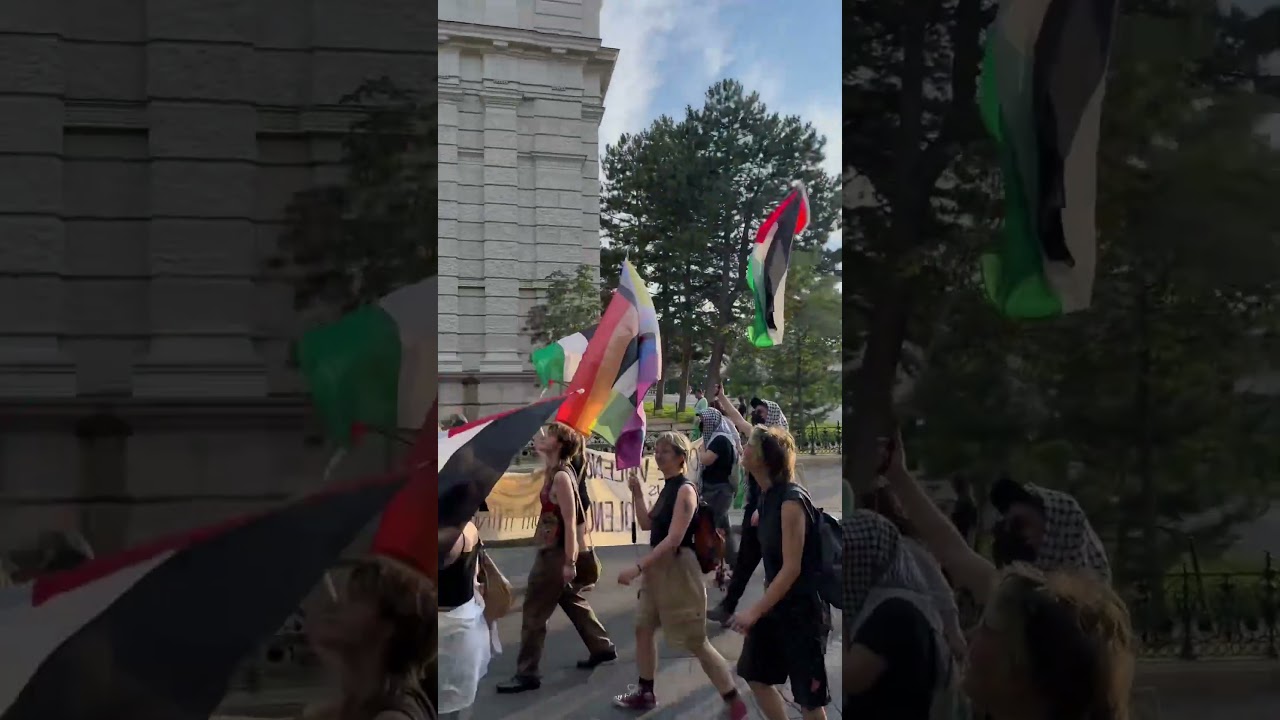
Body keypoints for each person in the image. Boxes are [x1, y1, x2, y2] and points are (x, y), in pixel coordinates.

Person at [882, 432, 1135, 720]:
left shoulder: (1079, 625)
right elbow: (951, 549)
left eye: (1020, 524)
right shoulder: (1014, 596)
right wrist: (898, 476)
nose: (1006, 532)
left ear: (1060, 534)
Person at [613, 431, 748, 718]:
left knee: (695, 640)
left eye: (665, 451)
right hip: (658, 571)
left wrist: (637, 568)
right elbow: (648, 524)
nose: (657, 454)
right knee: (643, 627)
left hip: (678, 570)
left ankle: (733, 697)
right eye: (657, 449)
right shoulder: (668, 488)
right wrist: (637, 493)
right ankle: (645, 692)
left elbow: (674, 539)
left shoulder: (685, 490)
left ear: (680, 458)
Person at [497, 423, 615, 693]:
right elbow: (540, 444)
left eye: (549, 435)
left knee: (534, 612)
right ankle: (601, 646)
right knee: (570, 599)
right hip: (553, 550)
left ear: (559, 445)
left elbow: (571, 522)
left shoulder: (561, 477)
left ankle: (527, 673)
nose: (542, 438)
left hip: (556, 554)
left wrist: (570, 562)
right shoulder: (554, 469)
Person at [730, 425, 830, 720]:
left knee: (809, 699)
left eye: (749, 445)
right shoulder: (767, 497)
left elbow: (791, 569)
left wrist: (753, 612)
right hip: (776, 607)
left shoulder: (791, 503)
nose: (743, 448)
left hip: (802, 613)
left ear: (764, 458)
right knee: (754, 674)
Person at [303, 561, 438, 719]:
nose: (338, 604)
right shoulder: (350, 704)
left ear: (387, 627)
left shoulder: (393, 717)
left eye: (356, 598)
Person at [706, 389, 774, 625]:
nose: (757, 414)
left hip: (770, 510)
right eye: (757, 410)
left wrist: (762, 508)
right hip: (756, 508)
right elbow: (738, 419)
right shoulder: (758, 436)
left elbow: (783, 481)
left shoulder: (777, 444)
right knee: (745, 562)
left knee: (776, 565)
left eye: (763, 411)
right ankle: (727, 608)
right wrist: (723, 397)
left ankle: (771, 613)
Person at [988, 475, 1112, 582]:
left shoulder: (1068, 514)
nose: (1023, 535)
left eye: (1020, 524)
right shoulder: (1018, 565)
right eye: (1015, 532)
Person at [437, 518, 493, 718]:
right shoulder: (470, 528)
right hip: (467, 619)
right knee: (460, 691)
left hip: (441, 624)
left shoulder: (445, 537)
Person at [697, 408, 741, 567]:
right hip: (717, 489)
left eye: (703, 420)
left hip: (718, 491)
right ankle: (731, 558)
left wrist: (699, 450)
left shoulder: (720, 440)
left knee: (711, 524)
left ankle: (713, 558)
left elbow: (707, 459)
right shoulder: (717, 438)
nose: (701, 424)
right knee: (723, 525)